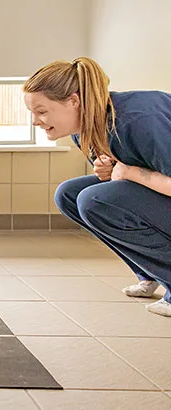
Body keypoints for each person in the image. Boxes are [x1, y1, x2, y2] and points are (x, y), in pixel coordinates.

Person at [23, 56, 171, 317]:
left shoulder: (138, 120)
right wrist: (111, 170)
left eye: (42, 111)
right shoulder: (86, 127)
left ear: (73, 101)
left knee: (94, 200)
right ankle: (150, 272)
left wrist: (131, 172)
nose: (35, 121)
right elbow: (123, 177)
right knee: (69, 194)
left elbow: (136, 174)